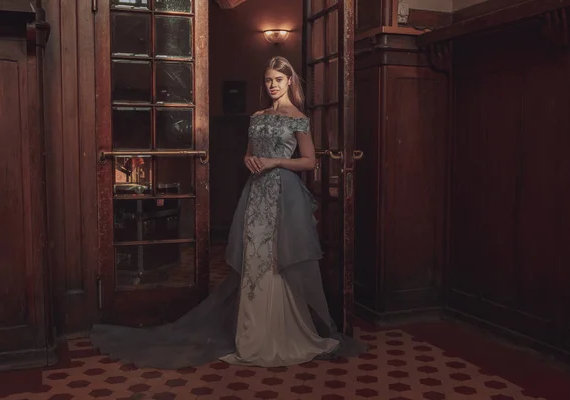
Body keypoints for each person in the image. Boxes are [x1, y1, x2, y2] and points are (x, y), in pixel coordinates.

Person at [90, 56, 365, 369]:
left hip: (284, 195)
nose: (272, 85)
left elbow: (309, 162)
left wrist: (275, 162)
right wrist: (249, 160)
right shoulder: (257, 116)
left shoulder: (298, 119)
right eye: (268, 80)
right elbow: (249, 153)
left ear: (290, 81)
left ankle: (282, 331)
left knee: (279, 258)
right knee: (254, 257)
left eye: (278, 79)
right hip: (256, 191)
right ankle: (251, 334)